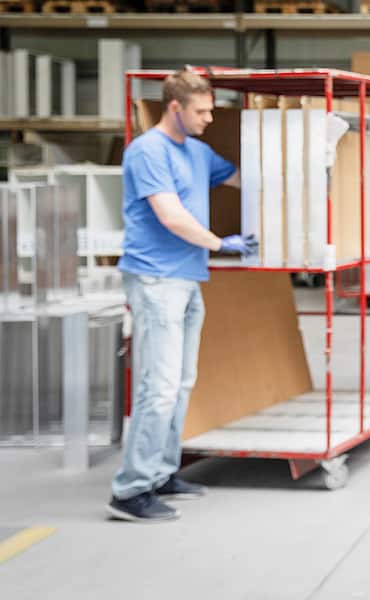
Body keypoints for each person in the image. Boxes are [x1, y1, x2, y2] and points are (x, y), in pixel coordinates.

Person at [107, 69, 256, 523]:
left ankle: (162, 473)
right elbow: (170, 216)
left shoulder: (198, 151)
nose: (210, 118)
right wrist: (220, 243)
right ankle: (131, 490)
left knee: (181, 383)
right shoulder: (148, 151)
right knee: (158, 387)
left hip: (187, 278)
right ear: (176, 108)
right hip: (155, 280)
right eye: (202, 111)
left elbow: (238, 179)